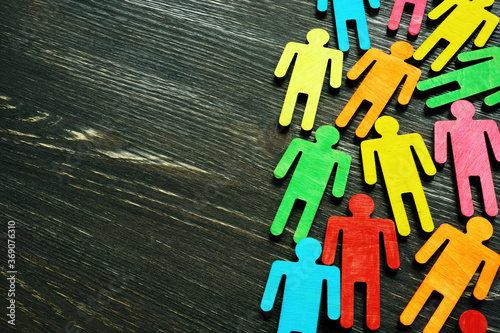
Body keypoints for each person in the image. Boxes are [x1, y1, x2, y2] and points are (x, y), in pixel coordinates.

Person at [400, 217, 500, 333]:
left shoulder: (449, 231)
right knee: (444, 307)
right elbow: (488, 274)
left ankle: (408, 318)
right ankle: (425, 327)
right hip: (455, 285)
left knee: (423, 295)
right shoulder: (490, 255)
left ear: (469, 226)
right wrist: (479, 292)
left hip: (439, 276)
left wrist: (422, 257)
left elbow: (425, 253)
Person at [322, 194, 399, 329]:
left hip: (350, 266)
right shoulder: (383, 223)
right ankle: (370, 321)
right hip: (370, 266)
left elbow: (329, 247)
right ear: (371, 208)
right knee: (372, 292)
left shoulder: (338, 221)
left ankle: (348, 319)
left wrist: (328, 258)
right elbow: (390, 239)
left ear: (351, 207)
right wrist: (392, 261)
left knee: (348, 290)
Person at [272, 126, 351, 242]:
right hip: (315, 189)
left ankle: (279, 228)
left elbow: (283, 165)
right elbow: (341, 177)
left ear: (317, 135)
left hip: (299, 183)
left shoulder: (301, 144)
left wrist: (280, 172)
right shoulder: (340, 157)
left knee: (288, 203)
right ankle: (298, 235)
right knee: (309, 209)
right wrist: (337, 191)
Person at [361, 116, 436, 236]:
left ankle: (406, 228)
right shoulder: (411, 138)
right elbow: (425, 159)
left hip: (392, 179)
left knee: (398, 203)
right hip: (408, 176)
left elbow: (369, 169)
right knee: (417, 197)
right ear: (396, 126)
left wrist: (371, 178)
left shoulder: (371, 144)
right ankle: (423, 225)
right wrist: (428, 169)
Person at [335, 41, 420, 138]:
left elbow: (354, 71)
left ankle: (343, 122)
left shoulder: (375, 53)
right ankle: (361, 131)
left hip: (368, 87)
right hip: (383, 94)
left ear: (392, 48)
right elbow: (406, 91)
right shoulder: (412, 70)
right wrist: (402, 99)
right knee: (372, 113)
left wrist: (353, 75)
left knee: (354, 103)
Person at [434, 100, 500, 216]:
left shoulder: (445, 125)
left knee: (465, 183)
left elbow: (440, 149)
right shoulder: (487, 124)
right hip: (476, 161)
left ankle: (470, 210)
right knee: (483, 182)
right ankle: (484, 209)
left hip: (465, 161)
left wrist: (441, 157)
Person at [261, 238, 341, 333]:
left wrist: (267, 304)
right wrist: (333, 311)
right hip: (307, 315)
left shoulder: (281, 266)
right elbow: (333, 286)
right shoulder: (329, 271)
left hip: (294, 313)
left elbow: (271, 286)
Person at [274, 29, 343, 131]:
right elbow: (336, 71)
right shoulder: (332, 53)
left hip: (301, 79)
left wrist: (281, 72)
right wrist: (334, 82)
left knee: (292, 97)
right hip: (313, 82)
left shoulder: (294, 46)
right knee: (311, 102)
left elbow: (281, 67)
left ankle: (288, 121)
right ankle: (303, 124)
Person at [413, 0, 499, 72]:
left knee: (433, 43)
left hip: (447, 30)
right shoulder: (490, 17)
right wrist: (478, 42)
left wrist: (434, 15)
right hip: (458, 36)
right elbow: (481, 39)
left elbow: (435, 13)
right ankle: (435, 65)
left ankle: (422, 57)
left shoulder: (461, 1)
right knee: (448, 51)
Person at [417, 46, 500, 108]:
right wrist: (491, 100)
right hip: (472, 84)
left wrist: (491, 100)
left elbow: (463, 56)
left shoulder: (497, 51)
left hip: (469, 79)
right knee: (451, 91)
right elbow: (464, 57)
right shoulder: (497, 51)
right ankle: (430, 99)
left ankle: (427, 94)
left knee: (446, 83)